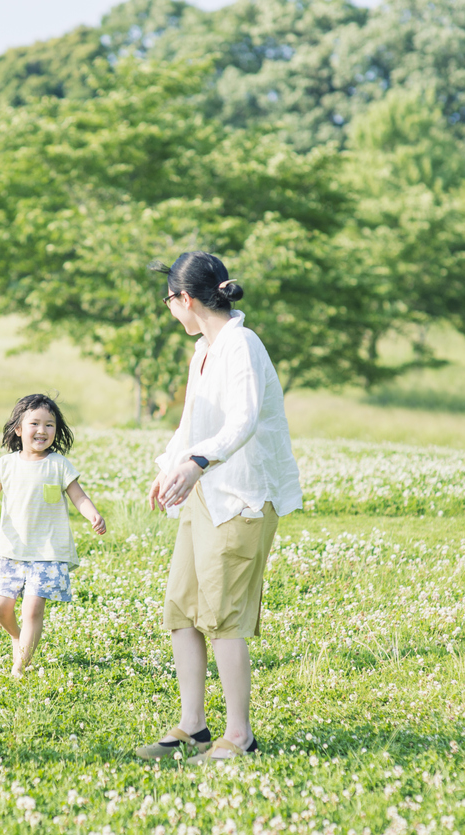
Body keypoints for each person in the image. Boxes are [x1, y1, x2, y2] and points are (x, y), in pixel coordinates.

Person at [135, 251, 303, 765]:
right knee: (182, 609)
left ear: (185, 299)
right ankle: (193, 728)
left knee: (225, 617)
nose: (170, 311)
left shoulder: (240, 345)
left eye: (169, 301)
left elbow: (242, 420)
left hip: (243, 496)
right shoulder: (204, 350)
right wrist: (171, 465)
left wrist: (198, 462)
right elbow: (192, 424)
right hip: (205, 491)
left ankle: (240, 736)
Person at [0, 394, 106, 677]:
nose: (42, 430)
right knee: (0, 607)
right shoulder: (6, 464)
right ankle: (17, 637)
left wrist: (92, 513)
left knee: (32, 610)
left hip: (48, 551)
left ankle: (20, 665)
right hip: (11, 548)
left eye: (50, 425)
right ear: (18, 428)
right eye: (34, 423)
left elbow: (78, 497)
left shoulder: (58, 464)